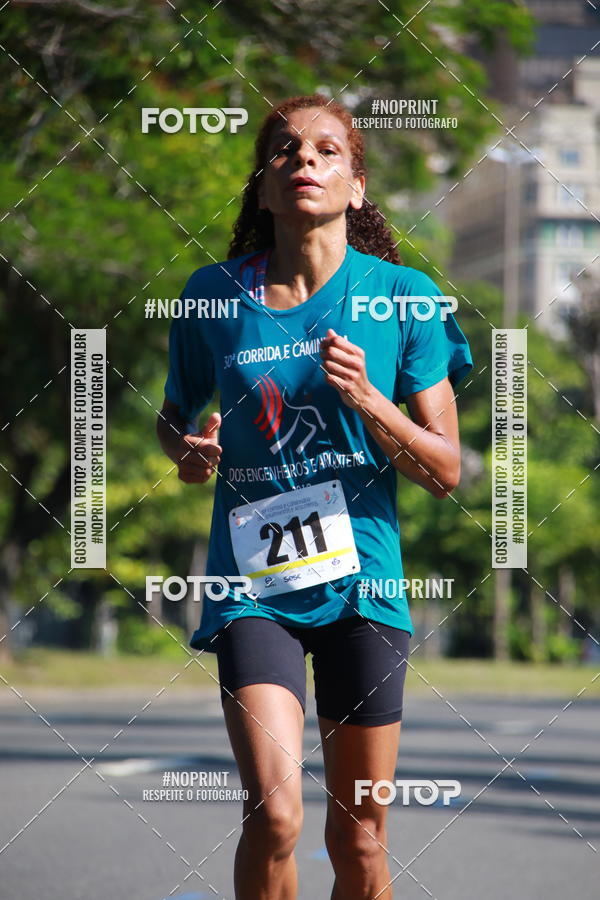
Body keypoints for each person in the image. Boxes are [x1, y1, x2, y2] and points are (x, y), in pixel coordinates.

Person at [157, 93, 472, 900]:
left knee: (360, 842)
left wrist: (370, 399)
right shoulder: (212, 297)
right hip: (252, 586)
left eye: (328, 151)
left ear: (357, 186)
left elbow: (445, 470)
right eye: (286, 151)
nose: (305, 161)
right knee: (274, 815)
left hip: (363, 583)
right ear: (262, 189)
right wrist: (188, 452)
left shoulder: (403, 297)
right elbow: (174, 415)